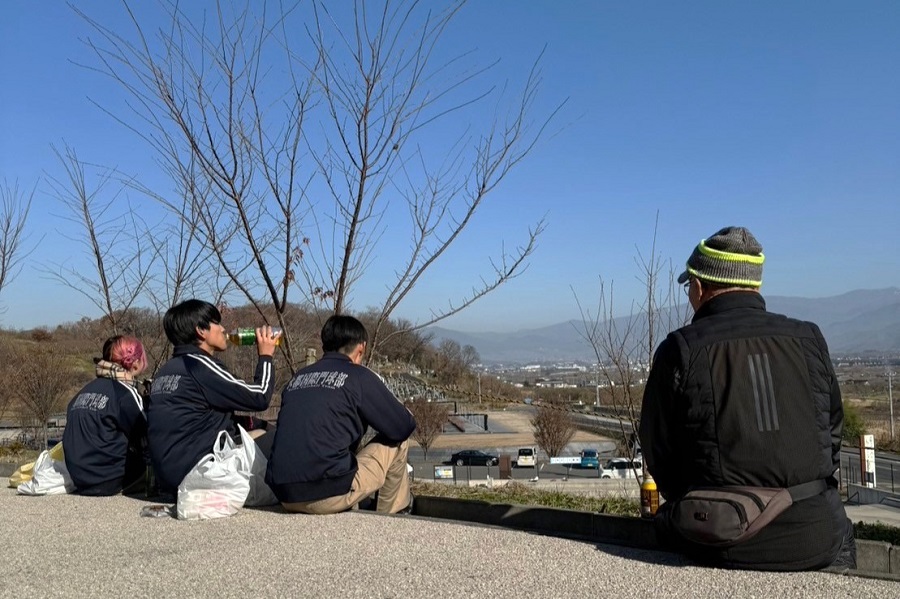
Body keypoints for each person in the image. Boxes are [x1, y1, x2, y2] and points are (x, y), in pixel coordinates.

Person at [639, 226, 855, 571]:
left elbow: (658, 448)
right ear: (755, 285)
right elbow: (832, 434)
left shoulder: (681, 349)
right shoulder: (809, 338)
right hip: (818, 536)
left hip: (718, 537)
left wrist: (699, 497)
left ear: (698, 286)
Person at [266, 314, 416, 514]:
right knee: (399, 442)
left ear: (324, 346)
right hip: (327, 492)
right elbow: (402, 427)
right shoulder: (359, 376)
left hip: (283, 493)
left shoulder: (297, 379)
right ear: (361, 348)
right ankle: (389, 517)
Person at [147, 299, 278, 495]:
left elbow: (197, 417)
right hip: (200, 475)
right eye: (217, 323)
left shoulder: (166, 371)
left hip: (168, 480)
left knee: (261, 428)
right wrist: (266, 356)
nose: (223, 328)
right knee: (286, 436)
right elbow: (259, 396)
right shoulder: (200, 365)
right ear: (201, 330)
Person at [63, 335, 148, 496]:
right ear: (135, 362)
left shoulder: (84, 392)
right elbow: (145, 436)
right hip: (111, 480)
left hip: (80, 479)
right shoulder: (125, 393)